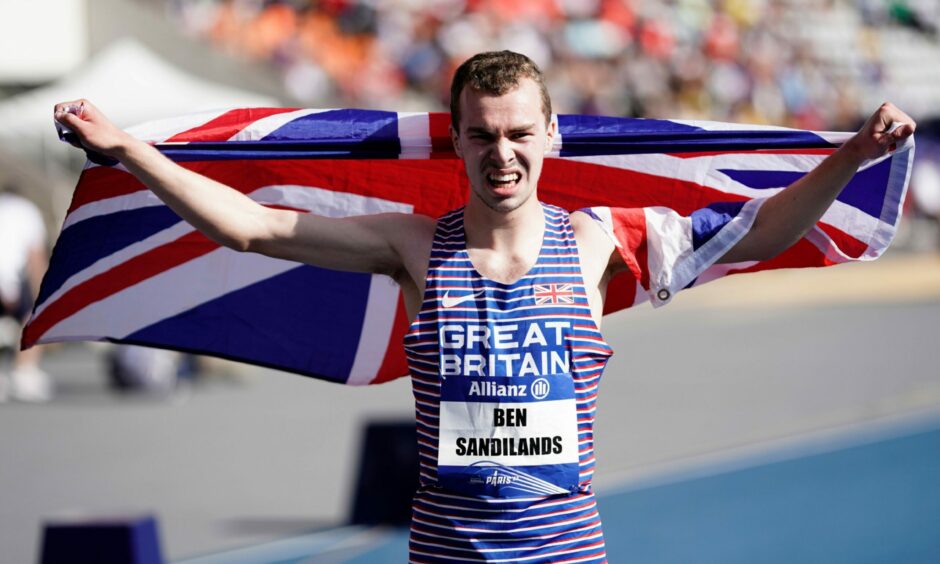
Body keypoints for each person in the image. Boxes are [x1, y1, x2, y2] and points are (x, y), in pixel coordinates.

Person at [54, 51, 914, 562]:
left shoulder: (601, 242)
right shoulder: (414, 246)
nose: (500, 153)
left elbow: (763, 231)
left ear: (550, 136)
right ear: (457, 140)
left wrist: (849, 158)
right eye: (481, 134)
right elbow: (252, 228)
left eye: (517, 133)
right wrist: (129, 150)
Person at [0, 185, 52, 402]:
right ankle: (24, 371)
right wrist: (43, 299)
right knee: (32, 314)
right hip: (11, 272)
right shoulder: (27, 211)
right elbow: (35, 257)